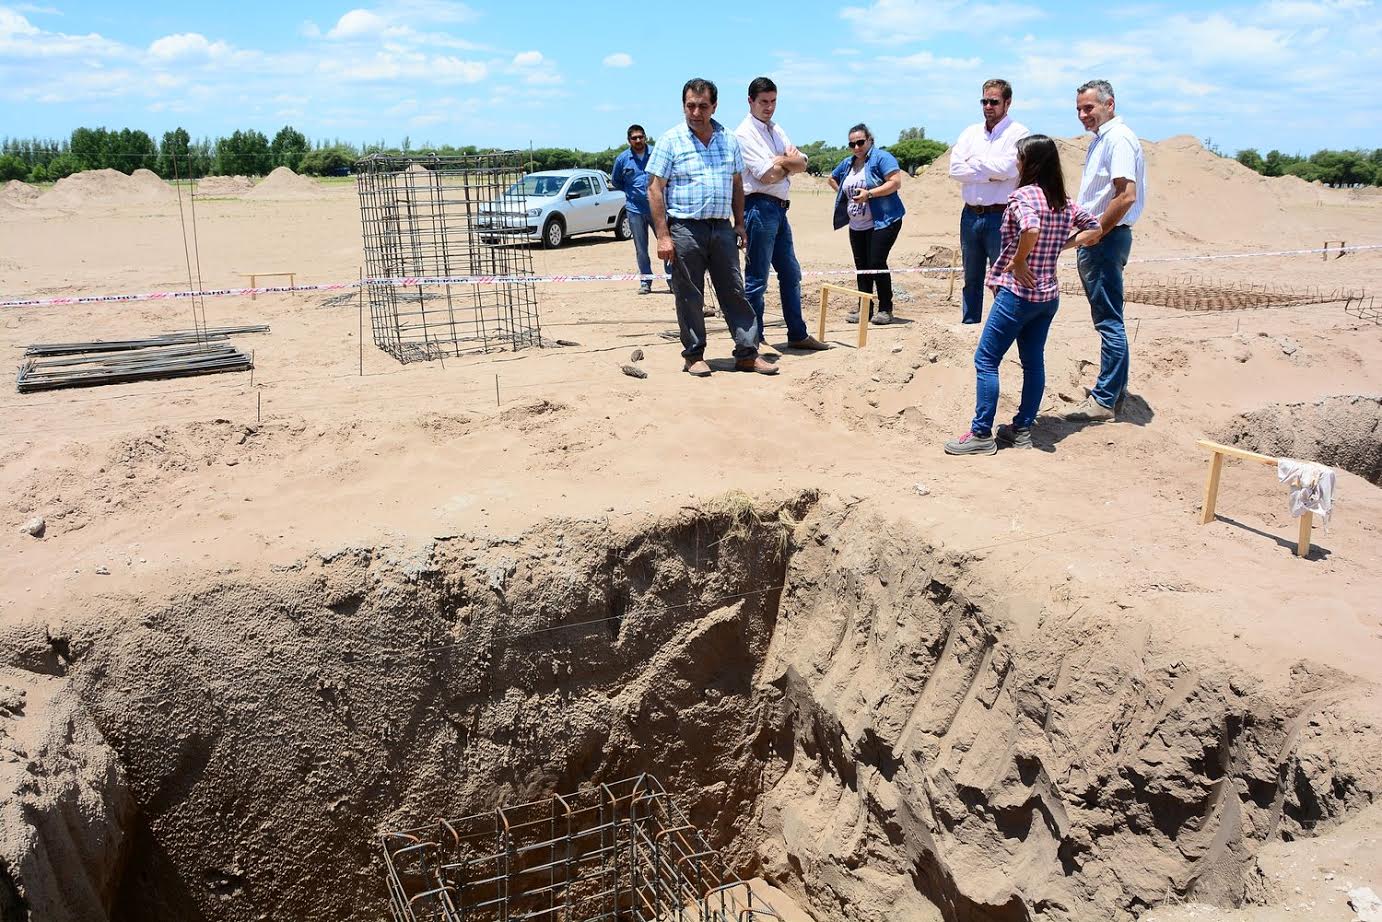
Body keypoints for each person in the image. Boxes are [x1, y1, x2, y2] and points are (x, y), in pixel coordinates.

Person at [944, 135, 1103, 456]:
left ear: (1031, 163)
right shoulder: (1064, 201)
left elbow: (1030, 229)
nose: (1015, 162)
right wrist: (1065, 244)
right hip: (1048, 295)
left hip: (1018, 295)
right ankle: (1022, 429)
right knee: (1033, 363)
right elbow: (1096, 228)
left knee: (986, 360)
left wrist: (1018, 260)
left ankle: (981, 434)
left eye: (1019, 157)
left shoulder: (1022, 197)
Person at [648, 77, 777, 376]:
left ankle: (747, 353)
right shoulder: (671, 140)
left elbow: (736, 185)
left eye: (702, 106)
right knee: (689, 294)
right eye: (690, 106)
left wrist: (740, 224)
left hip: (722, 228)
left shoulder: (729, 139)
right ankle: (694, 356)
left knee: (734, 290)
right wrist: (663, 235)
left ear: (714, 106)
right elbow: (655, 188)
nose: (696, 112)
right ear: (683, 106)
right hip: (685, 229)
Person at [1060, 79, 1146, 422]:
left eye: (1089, 108)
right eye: (1079, 109)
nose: (1083, 115)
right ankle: (1114, 391)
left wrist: (1097, 231)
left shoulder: (1118, 140)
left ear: (1109, 104)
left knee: (1108, 321)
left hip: (1105, 240)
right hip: (1102, 237)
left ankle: (1104, 400)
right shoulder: (1104, 140)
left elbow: (1125, 195)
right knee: (1111, 318)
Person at [734, 77, 829, 351]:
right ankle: (755, 339)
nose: (769, 107)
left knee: (790, 273)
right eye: (764, 102)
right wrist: (788, 163)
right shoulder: (744, 134)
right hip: (758, 207)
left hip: (779, 209)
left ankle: (797, 334)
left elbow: (803, 162)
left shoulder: (776, 129)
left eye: (773, 101)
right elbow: (766, 175)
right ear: (750, 101)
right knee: (757, 279)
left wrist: (783, 162)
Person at [948, 78, 1029, 325]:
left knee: (1002, 275)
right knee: (971, 278)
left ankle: (1001, 328)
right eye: (984, 101)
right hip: (971, 214)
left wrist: (975, 162)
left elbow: (1008, 169)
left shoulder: (1020, 133)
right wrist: (989, 172)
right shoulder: (970, 133)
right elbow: (955, 169)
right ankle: (970, 326)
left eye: (994, 101)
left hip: (1001, 215)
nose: (988, 106)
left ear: (1008, 102)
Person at [829, 124, 906, 324]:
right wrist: (845, 195)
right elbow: (832, 178)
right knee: (862, 266)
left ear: (869, 140)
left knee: (876, 263)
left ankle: (885, 309)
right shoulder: (847, 163)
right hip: (857, 224)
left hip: (883, 220)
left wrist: (869, 194)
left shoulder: (881, 158)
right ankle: (865, 308)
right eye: (852, 144)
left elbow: (895, 182)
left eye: (860, 142)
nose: (856, 147)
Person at [610, 124, 669, 294]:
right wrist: (631, 193)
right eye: (634, 138)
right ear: (629, 140)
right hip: (634, 210)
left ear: (645, 137)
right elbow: (616, 181)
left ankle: (672, 280)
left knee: (666, 244)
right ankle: (646, 282)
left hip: (657, 208)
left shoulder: (656, 154)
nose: (638, 140)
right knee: (641, 249)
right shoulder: (622, 159)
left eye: (640, 137)